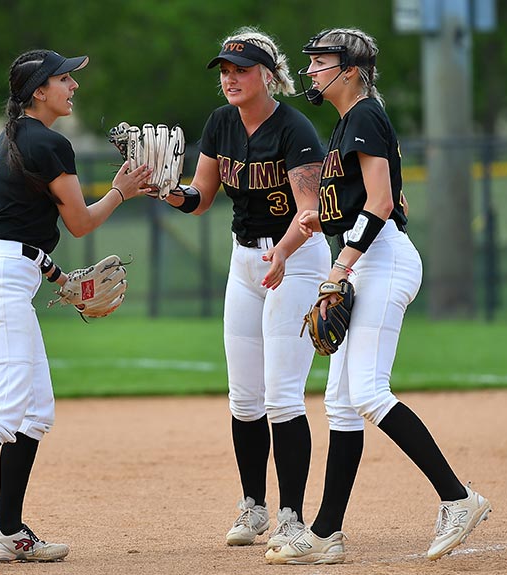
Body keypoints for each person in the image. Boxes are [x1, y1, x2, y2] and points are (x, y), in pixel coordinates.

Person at [264, 28, 491, 565]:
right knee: (340, 404)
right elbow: (353, 204)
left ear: (350, 69)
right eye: (313, 61)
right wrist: (297, 249)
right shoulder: (348, 123)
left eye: (322, 62)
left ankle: (459, 499)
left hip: (382, 261)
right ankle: (325, 533)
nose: (313, 71)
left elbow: (383, 203)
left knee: (366, 392)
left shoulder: (363, 116)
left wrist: (340, 267)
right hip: (366, 259)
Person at [0, 49, 151, 567]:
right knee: (4, 408)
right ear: (38, 91)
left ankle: (8, 530)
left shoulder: (14, 139)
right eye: (64, 79)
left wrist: (59, 277)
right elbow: (80, 223)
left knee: (34, 410)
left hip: (5, 271)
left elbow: (18, 228)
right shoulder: (47, 141)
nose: (73, 86)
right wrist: (121, 190)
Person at [161, 27, 329, 549]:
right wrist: (163, 188)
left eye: (242, 69)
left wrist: (280, 253)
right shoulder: (220, 124)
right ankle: (254, 507)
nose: (231, 78)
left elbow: (311, 214)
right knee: (244, 398)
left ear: (268, 75)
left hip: (295, 261)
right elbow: (200, 197)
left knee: (282, 397)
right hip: (244, 264)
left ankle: (292, 518)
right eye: (225, 71)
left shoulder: (294, 129)